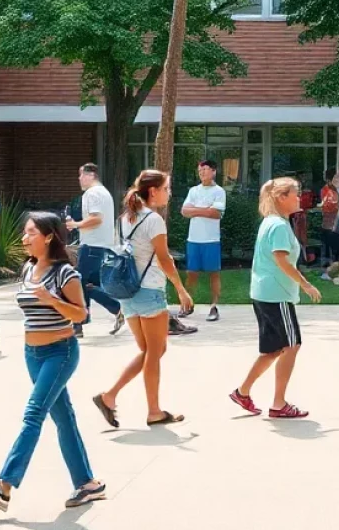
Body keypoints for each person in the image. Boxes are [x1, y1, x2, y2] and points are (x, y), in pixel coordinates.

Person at [0, 212, 105, 512]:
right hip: (33, 355)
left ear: (48, 237)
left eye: (31, 232)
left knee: (33, 415)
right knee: (64, 419)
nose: (24, 238)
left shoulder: (65, 274)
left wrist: (52, 300)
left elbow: (82, 314)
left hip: (61, 353)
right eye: (25, 232)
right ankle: (88, 484)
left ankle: (3, 486)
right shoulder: (29, 268)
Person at [92, 170, 193, 429]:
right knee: (155, 351)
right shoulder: (154, 220)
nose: (168, 193)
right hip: (149, 290)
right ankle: (152, 411)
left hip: (127, 292)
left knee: (150, 351)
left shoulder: (127, 217)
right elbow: (164, 258)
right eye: (166, 188)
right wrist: (181, 289)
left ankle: (110, 396)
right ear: (153, 191)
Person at [230, 177, 322, 418]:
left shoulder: (271, 222)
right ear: (281, 198)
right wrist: (306, 284)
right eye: (295, 193)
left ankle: (243, 392)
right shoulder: (279, 226)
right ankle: (279, 404)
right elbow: (281, 259)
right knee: (291, 345)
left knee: (273, 350)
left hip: (264, 294)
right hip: (276, 295)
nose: (299, 197)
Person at [65, 163, 124, 337]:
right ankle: (115, 310)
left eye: (81, 175)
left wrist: (75, 225)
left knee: (78, 283)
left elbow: (96, 219)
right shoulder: (104, 193)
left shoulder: (92, 193)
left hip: (91, 245)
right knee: (88, 285)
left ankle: (79, 324)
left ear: (91, 175)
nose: (79, 179)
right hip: (100, 245)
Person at [179, 159, 227, 323]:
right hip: (193, 239)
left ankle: (214, 307)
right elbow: (184, 211)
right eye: (200, 171)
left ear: (214, 171)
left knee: (214, 274)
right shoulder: (193, 191)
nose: (202, 173)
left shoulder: (219, 191)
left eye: (205, 170)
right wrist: (205, 210)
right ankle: (187, 305)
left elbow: (216, 214)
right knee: (191, 273)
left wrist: (196, 211)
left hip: (211, 240)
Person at [319, 169, 339, 278]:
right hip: (330, 224)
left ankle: (331, 273)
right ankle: (330, 272)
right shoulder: (333, 190)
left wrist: (334, 225)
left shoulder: (336, 191)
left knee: (333, 250)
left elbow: (338, 209)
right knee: (331, 249)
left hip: (333, 225)